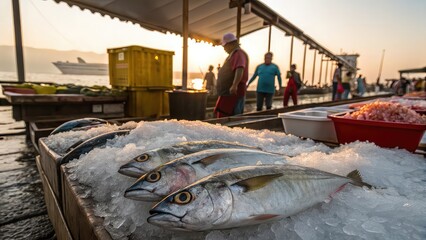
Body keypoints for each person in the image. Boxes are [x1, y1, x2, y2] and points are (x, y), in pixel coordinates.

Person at [214, 33, 249, 118]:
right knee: (225, 114)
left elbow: (240, 69)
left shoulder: (238, 53)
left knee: (234, 116)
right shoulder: (233, 54)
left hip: (234, 93)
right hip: (227, 93)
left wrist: (234, 85)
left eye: (224, 46)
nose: (224, 49)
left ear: (230, 44)